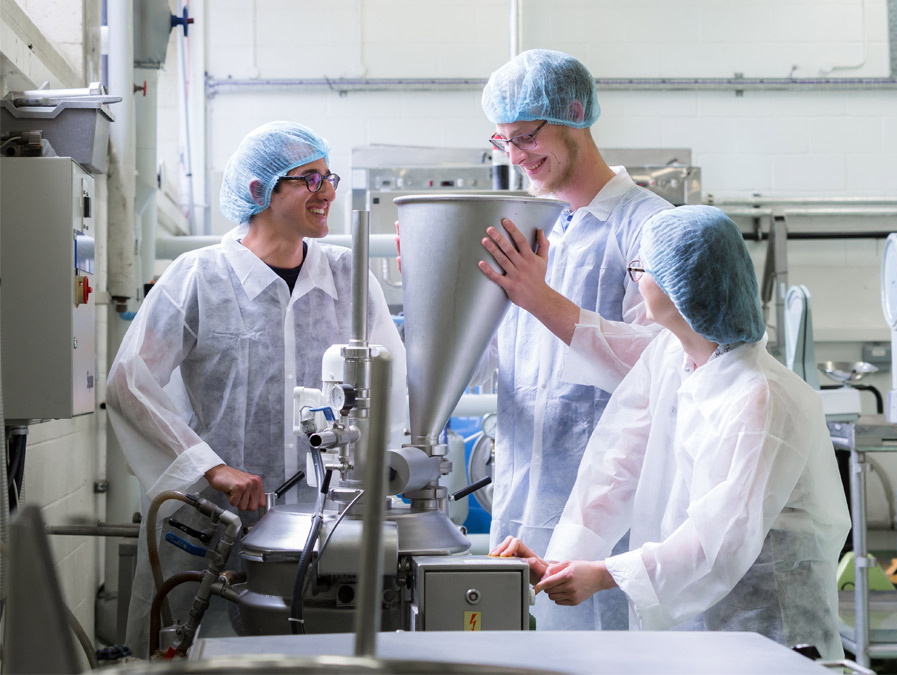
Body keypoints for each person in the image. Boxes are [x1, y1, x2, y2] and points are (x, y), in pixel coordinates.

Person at [491, 206, 850, 659]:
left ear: (684, 291)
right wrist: (560, 562)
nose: (636, 279)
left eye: (642, 269)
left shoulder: (763, 398)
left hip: (770, 627)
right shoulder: (669, 356)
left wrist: (603, 574)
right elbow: (615, 467)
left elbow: (719, 540)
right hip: (689, 625)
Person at [106, 121, 407, 656]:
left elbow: (391, 390)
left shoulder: (349, 279)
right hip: (209, 528)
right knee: (190, 652)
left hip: (321, 526)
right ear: (259, 191)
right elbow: (130, 382)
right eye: (310, 179)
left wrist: (380, 480)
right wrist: (210, 468)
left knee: (316, 658)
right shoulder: (197, 277)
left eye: (328, 176)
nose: (329, 191)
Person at [471, 49, 673, 631]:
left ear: (576, 112)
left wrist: (541, 298)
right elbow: (500, 360)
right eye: (502, 141)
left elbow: (663, 365)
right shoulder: (542, 230)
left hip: (609, 526)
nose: (516, 156)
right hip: (520, 509)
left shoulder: (646, 226)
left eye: (527, 136)